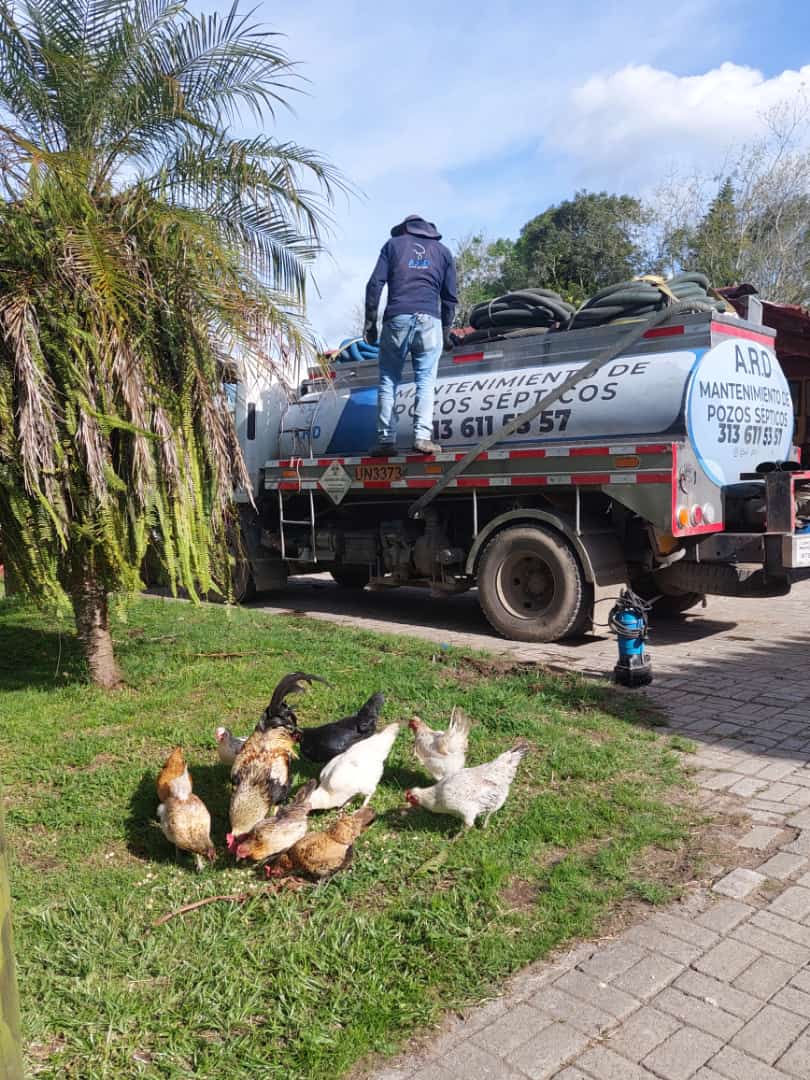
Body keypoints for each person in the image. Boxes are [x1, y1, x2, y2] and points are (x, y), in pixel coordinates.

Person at [364, 214, 457, 455]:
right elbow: (449, 297)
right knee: (425, 379)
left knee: (388, 379)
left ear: (404, 229)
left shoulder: (392, 245)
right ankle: (422, 437)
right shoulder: (443, 252)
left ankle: (386, 440)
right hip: (430, 320)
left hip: (397, 318)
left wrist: (370, 322)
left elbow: (375, 284)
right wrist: (446, 331)